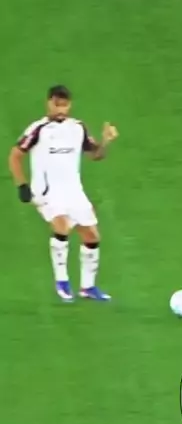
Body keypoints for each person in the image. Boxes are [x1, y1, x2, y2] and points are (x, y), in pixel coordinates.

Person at [8, 84, 118, 301]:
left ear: (70, 105)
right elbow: (15, 155)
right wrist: (22, 185)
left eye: (64, 105)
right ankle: (62, 282)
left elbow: (95, 155)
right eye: (56, 105)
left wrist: (105, 141)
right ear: (48, 103)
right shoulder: (38, 129)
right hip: (47, 191)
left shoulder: (77, 128)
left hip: (73, 192)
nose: (60, 109)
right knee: (61, 225)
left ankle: (88, 287)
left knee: (92, 236)